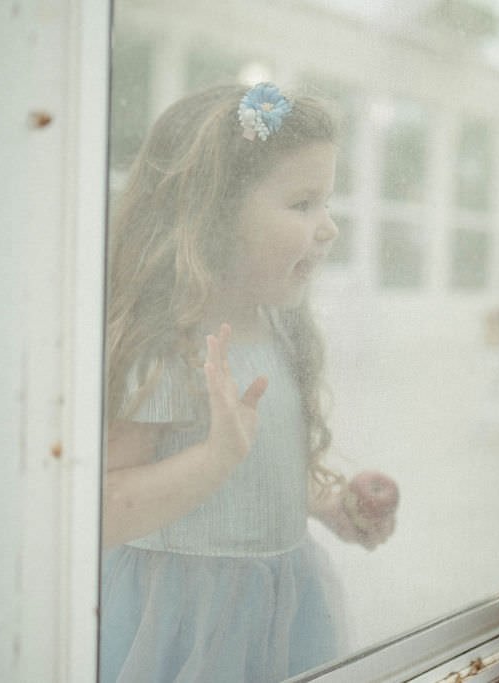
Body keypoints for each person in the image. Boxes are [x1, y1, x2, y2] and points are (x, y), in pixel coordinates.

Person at [100, 82, 398, 682]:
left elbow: (263, 479)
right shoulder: (164, 346)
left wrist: (334, 506)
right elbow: (105, 509)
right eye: (302, 203)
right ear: (215, 213)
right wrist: (214, 459)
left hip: (282, 612)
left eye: (328, 202)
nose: (329, 228)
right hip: (180, 624)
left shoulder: (279, 331)